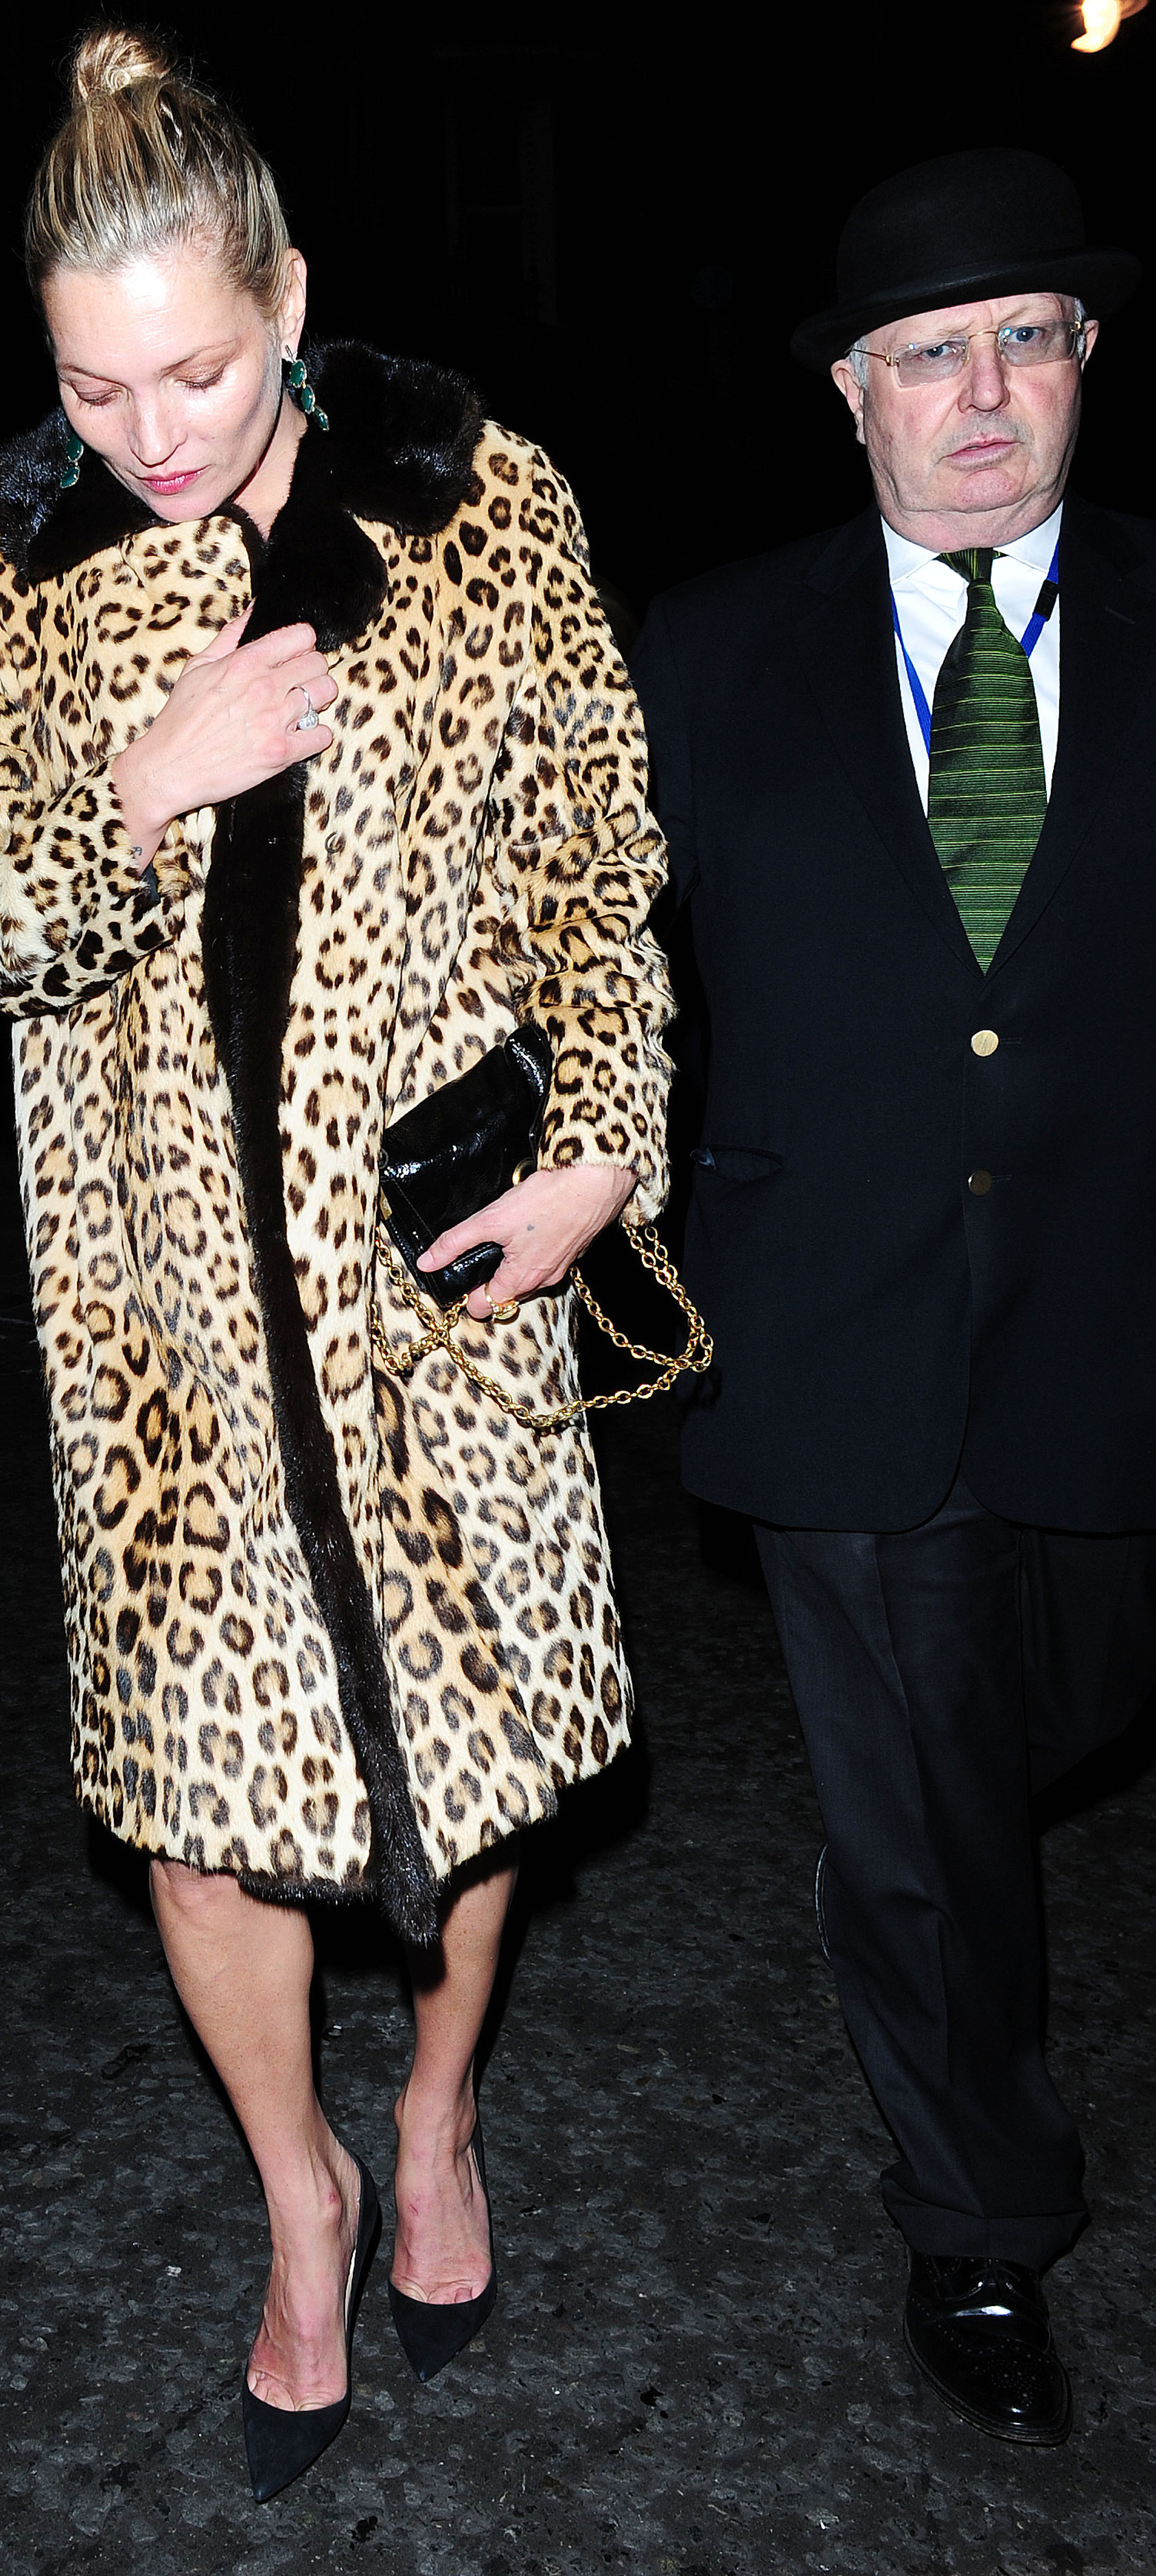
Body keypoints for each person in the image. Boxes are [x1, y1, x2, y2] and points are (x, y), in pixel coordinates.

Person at [0, 26, 671, 2500]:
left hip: (441, 1287)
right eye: (91, 385)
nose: (148, 432)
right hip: (164, 1331)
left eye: (201, 371)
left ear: (294, 300)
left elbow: (600, 866)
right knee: (197, 1811)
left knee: (477, 1764)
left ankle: (436, 2113)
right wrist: (148, 788)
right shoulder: (7, 578)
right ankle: (303, 2199)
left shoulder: (480, 505)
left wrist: (607, 1153)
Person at [632, 146, 1155, 2448]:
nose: (984, 394)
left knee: (1058, 1718)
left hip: (1117, 1314)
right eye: (928, 352)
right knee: (933, 1822)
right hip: (841, 1316)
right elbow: (570, 940)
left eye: (1027, 337)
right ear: (849, 390)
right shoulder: (709, 647)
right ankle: (982, 2220)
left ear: (1087, 359)